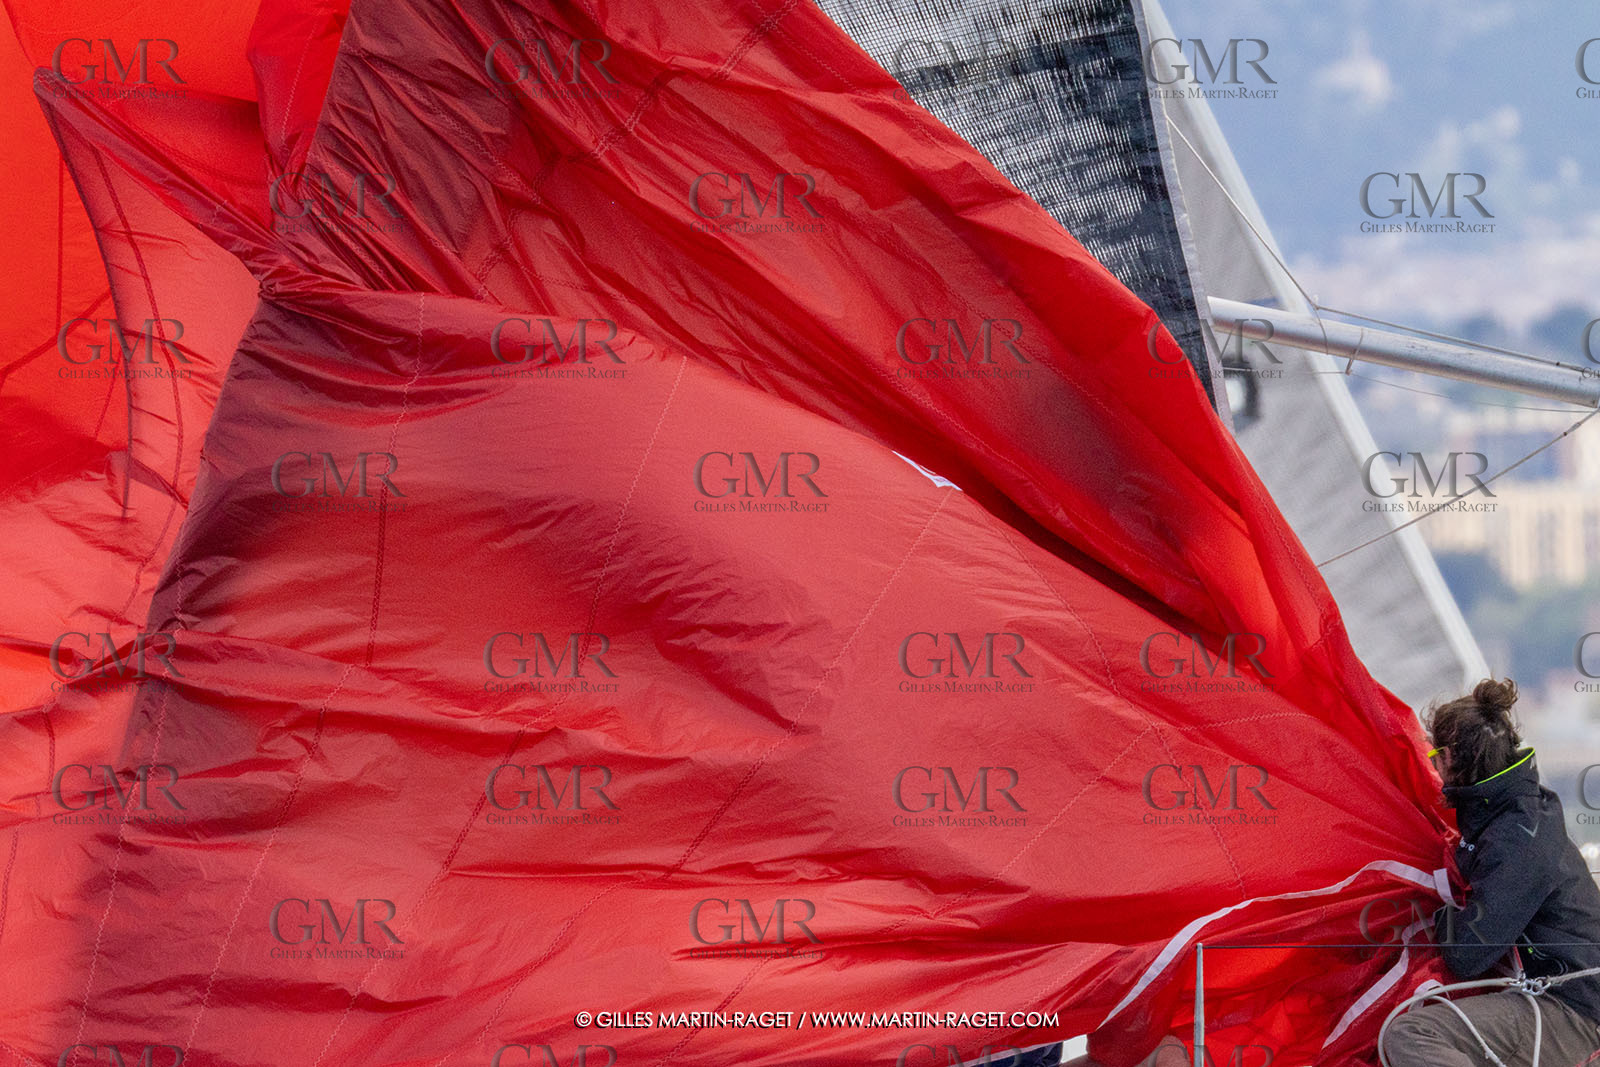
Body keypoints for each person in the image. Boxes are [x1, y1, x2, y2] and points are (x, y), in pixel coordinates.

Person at [1383, 678, 1600, 1066]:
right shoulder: (1521, 807)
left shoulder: (1515, 839)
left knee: (1411, 1034)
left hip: (1575, 1014)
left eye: (1434, 756)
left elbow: (1469, 955)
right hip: (1563, 1000)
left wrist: (1437, 911)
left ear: (1450, 758)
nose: (1431, 766)